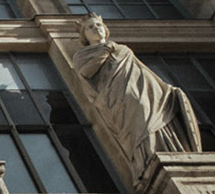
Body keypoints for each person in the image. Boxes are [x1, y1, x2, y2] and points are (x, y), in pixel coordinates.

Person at [73, 14, 200, 180]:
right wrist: (103, 53)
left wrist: (163, 89)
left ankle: (168, 151)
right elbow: (84, 74)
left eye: (98, 25)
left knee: (151, 114)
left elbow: (142, 71)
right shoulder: (83, 55)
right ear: (84, 36)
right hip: (117, 96)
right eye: (90, 27)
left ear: (105, 28)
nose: (96, 28)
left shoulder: (122, 49)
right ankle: (146, 160)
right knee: (140, 119)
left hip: (144, 90)